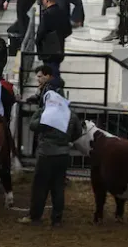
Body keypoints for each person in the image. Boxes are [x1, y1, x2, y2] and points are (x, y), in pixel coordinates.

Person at [18, 89, 82, 226]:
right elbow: (78, 132)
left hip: (46, 154)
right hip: (63, 154)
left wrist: (41, 110)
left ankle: (35, 217)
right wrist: (67, 140)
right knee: (58, 187)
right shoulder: (71, 114)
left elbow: (33, 125)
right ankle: (57, 219)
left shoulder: (47, 114)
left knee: (40, 187)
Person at [35, 0, 71, 77]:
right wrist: (59, 37)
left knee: (51, 73)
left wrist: (37, 41)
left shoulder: (47, 14)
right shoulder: (63, 12)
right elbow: (68, 30)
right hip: (59, 47)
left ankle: (56, 87)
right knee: (55, 69)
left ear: (47, 0)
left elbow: (41, 32)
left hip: (48, 50)